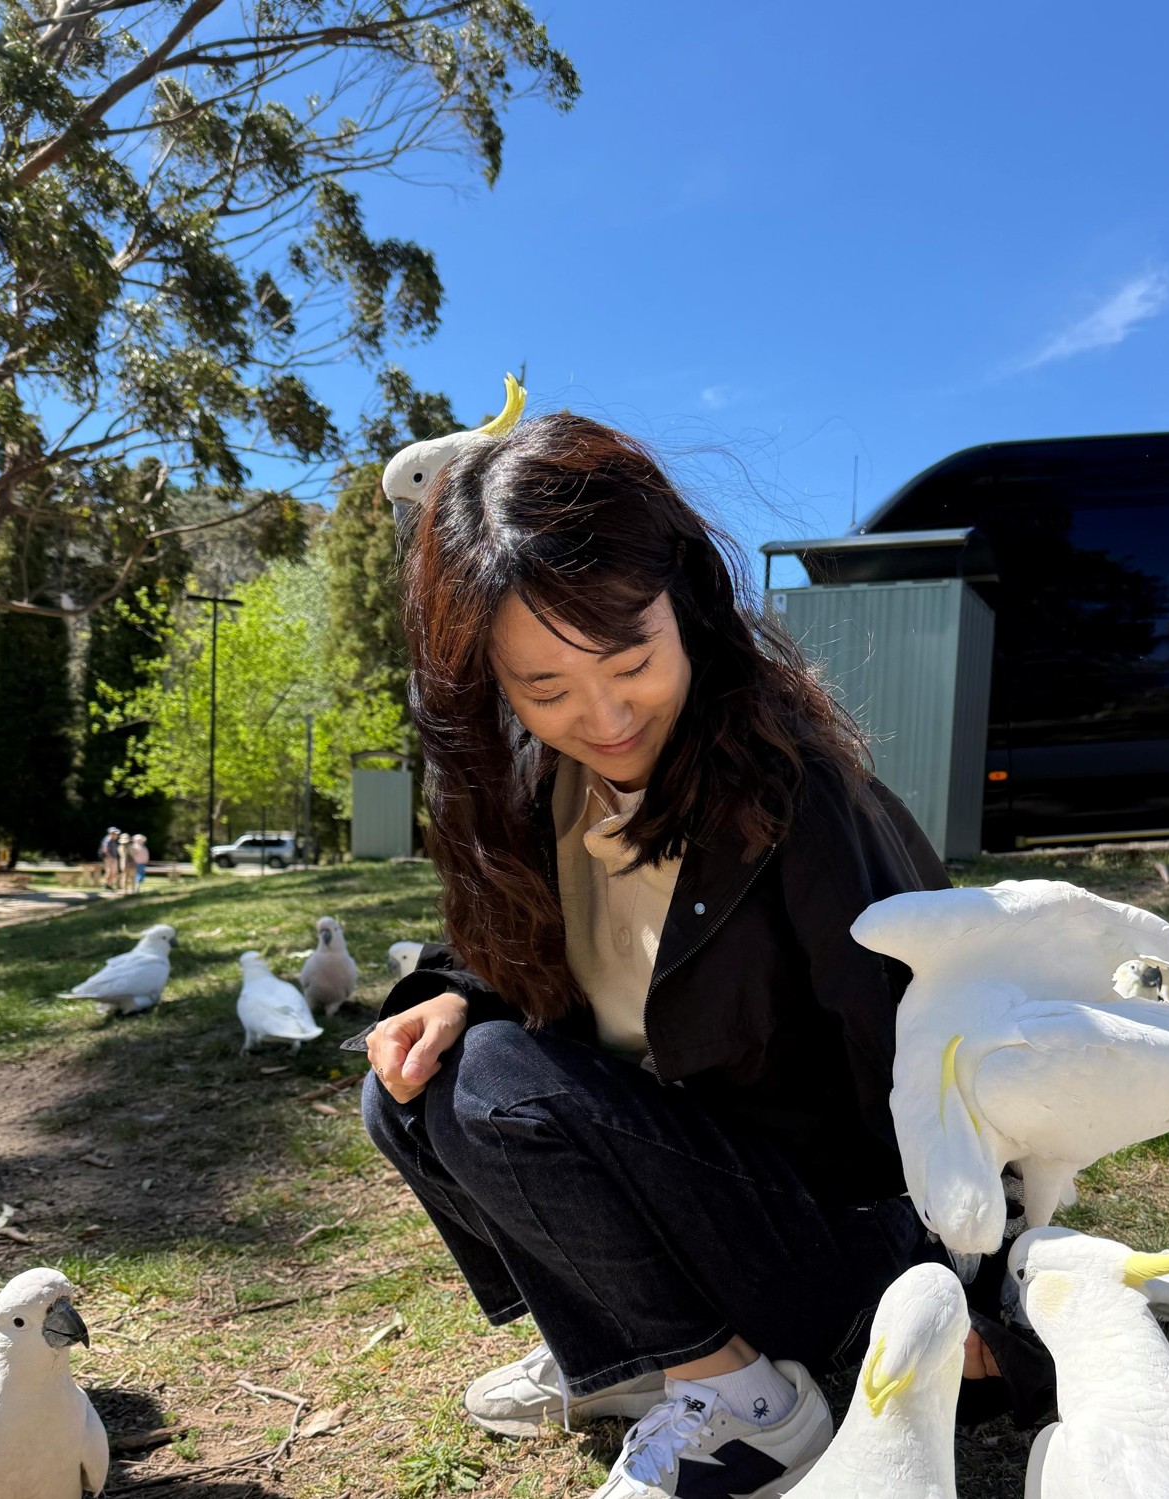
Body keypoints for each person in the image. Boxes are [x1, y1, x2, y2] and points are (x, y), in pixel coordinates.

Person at [357, 413, 1041, 1499]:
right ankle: (634, 1357)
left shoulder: (797, 793)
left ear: (687, 596)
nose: (603, 712)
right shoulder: (530, 782)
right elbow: (541, 943)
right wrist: (447, 992)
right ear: (486, 677)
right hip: (691, 1191)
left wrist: (984, 1293)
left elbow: (938, 1041)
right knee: (408, 1085)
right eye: (544, 689)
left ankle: (753, 1408)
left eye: (630, 658)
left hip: (834, 1228)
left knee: (494, 1084)